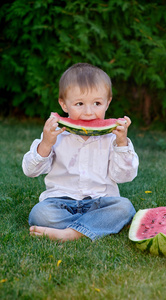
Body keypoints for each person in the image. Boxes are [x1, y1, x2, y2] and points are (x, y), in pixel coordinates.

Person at [22, 63, 139, 242]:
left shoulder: (112, 139)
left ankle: (70, 233)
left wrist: (122, 144)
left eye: (97, 103)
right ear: (64, 104)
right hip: (60, 202)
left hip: (101, 202)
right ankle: (97, 226)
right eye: (79, 104)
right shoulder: (55, 136)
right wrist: (46, 143)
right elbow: (30, 171)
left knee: (125, 207)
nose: (88, 112)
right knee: (40, 213)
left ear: (108, 103)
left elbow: (125, 176)